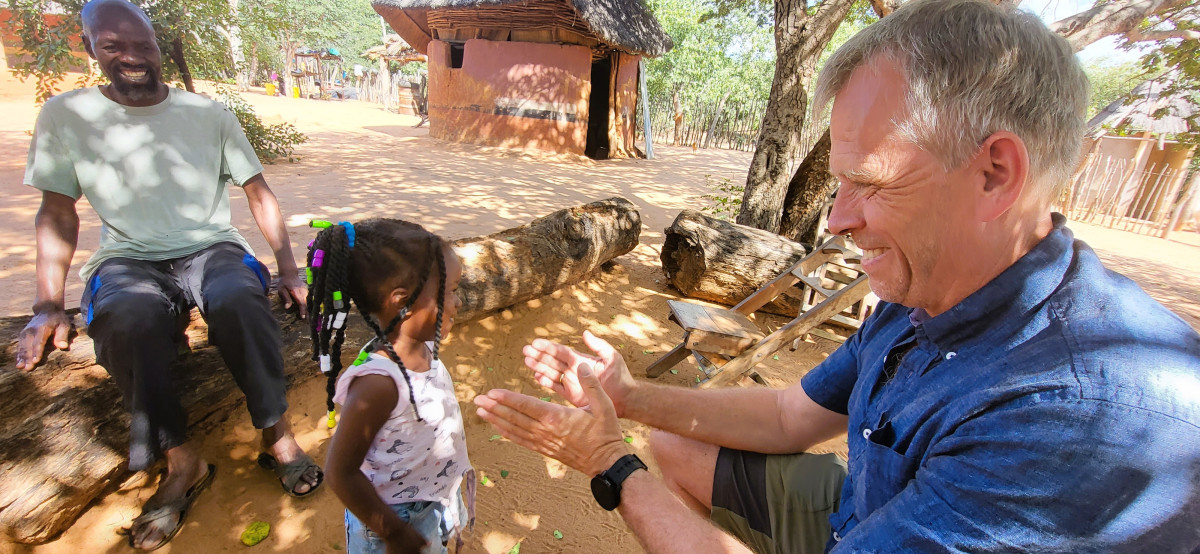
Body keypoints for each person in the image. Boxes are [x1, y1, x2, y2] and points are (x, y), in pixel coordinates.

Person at [473, 0, 1200, 552]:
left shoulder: (1074, 418)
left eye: (871, 185)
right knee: (673, 442)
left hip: (892, 516)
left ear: (994, 173)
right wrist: (626, 396)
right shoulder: (929, 289)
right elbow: (793, 416)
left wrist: (607, 464)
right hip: (870, 503)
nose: (838, 220)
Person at [15, 0, 322, 549]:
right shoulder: (66, 115)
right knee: (125, 319)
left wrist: (289, 271)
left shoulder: (208, 115)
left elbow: (257, 192)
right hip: (127, 258)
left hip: (212, 247)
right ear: (90, 50)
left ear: (158, 45)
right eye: (114, 46)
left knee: (239, 299)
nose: (131, 57)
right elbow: (58, 211)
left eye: (142, 45)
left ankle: (278, 437)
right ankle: (182, 463)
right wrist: (47, 304)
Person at [317, 219, 475, 554]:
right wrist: (394, 533)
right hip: (397, 519)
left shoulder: (425, 344)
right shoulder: (378, 384)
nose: (457, 302)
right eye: (449, 292)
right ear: (402, 303)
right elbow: (340, 472)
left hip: (437, 495)